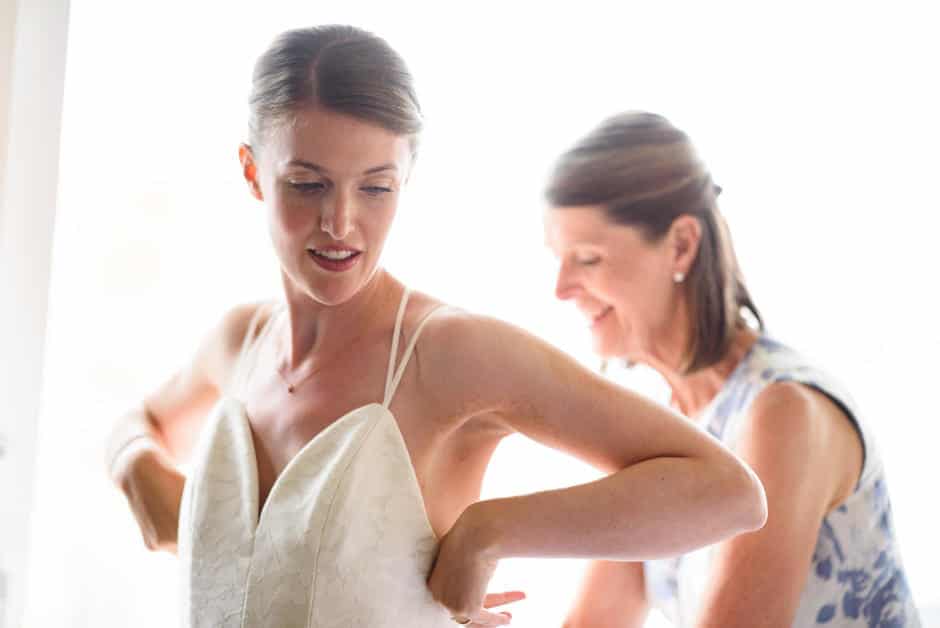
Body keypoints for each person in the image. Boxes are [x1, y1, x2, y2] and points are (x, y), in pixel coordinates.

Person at [105, 29, 766, 628]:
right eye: (307, 184)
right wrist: (135, 464)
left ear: (407, 178)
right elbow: (135, 423)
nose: (341, 222)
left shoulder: (448, 353)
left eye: (375, 188)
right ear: (254, 173)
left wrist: (492, 529)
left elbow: (727, 493)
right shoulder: (237, 342)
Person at [545, 111, 920, 627]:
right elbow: (594, 620)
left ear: (680, 245)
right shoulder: (656, 430)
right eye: (558, 258)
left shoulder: (785, 411)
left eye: (586, 259)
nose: (560, 289)